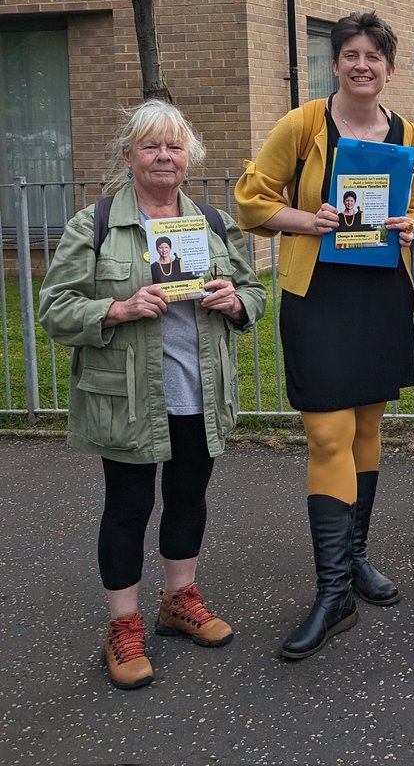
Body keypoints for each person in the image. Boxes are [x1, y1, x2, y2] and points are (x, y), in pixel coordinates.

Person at [38, 101, 266, 690]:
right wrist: (117, 307)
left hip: (199, 391)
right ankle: (123, 625)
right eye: (150, 146)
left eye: (174, 147)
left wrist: (235, 301)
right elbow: (53, 309)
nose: (164, 156)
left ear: (188, 159)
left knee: (189, 498)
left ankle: (178, 600)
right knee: (129, 507)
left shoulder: (212, 224)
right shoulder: (93, 225)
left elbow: (253, 290)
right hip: (130, 396)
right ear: (128, 157)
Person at [235, 11, 414, 659]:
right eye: (350, 53)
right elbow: (250, 200)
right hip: (317, 292)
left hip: (379, 293)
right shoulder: (302, 124)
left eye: (374, 55)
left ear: (390, 67)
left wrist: (408, 223)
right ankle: (332, 592)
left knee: (369, 429)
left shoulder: (412, 137)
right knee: (328, 432)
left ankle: (353, 562)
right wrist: (306, 219)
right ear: (336, 62)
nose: (361, 65)